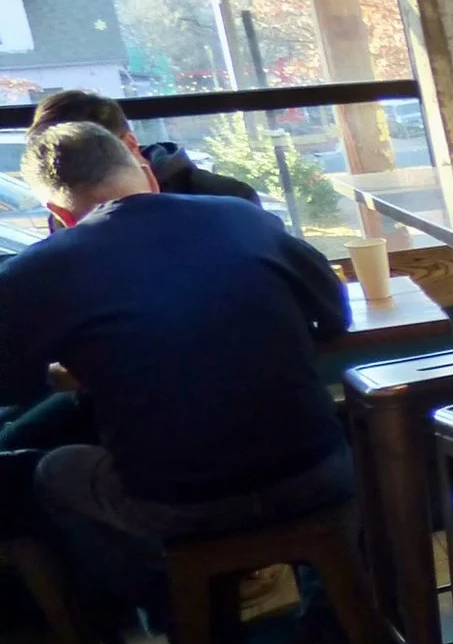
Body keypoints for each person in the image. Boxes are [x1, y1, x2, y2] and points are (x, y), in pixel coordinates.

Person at [1, 120, 352, 543]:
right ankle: (325, 602)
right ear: (146, 172)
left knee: (53, 471)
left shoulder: (39, 270)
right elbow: (334, 314)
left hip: (180, 505)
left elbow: (12, 387)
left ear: (58, 213)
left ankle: (168, 600)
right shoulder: (244, 217)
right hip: (320, 471)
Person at [27, 88, 260, 202]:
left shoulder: (226, 199)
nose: (83, 176)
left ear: (130, 143)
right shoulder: (67, 203)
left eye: (94, 157)